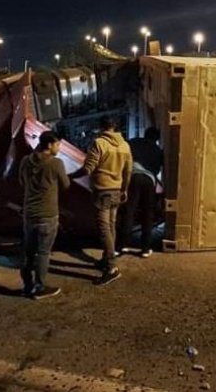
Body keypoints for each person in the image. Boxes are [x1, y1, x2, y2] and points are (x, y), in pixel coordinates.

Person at [70, 116, 132, 286]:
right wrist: (124, 189)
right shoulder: (125, 146)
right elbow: (128, 170)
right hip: (117, 191)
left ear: (102, 128)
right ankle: (106, 259)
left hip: (103, 191)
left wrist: (70, 176)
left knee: (104, 228)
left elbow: (88, 168)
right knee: (111, 226)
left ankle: (111, 268)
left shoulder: (99, 143)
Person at [18, 131, 69, 299]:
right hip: (47, 215)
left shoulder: (25, 161)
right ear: (49, 145)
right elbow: (66, 184)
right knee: (43, 252)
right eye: (57, 144)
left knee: (28, 252)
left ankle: (27, 286)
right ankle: (40, 288)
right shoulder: (55, 164)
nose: (59, 148)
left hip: (29, 214)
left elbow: (21, 182)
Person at [118, 127, 162, 258]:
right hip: (149, 180)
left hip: (132, 177)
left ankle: (122, 245)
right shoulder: (157, 151)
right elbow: (157, 170)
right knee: (148, 213)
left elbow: (123, 157)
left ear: (145, 134)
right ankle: (145, 249)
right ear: (157, 139)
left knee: (129, 211)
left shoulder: (133, 142)